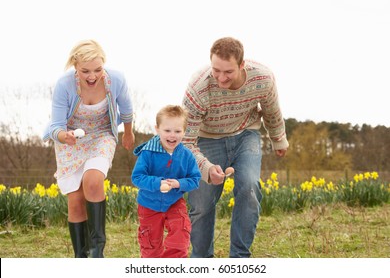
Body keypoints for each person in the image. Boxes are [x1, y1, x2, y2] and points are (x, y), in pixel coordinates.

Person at [182, 37, 289, 258]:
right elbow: (186, 142)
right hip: (207, 139)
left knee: (249, 187)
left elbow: (271, 110)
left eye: (228, 72)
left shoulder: (263, 78)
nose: (221, 78)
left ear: (242, 65)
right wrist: (206, 167)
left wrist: (278, 138)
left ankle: (239, 259)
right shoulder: (198, 87)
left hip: (245, 134)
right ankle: (201, 261)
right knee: (201, 204)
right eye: (216, 70)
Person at [42, 39, 135, 258]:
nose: (92, 76)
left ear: (104, 65)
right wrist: (65, 136)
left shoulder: (116, 79)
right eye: (85, 71)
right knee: (75, 202)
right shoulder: (64, 84)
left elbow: (127, 109)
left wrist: (128, 132)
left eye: (97, 69)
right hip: (70, 139)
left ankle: (96, 253)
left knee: (93, 181)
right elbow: (56, 126)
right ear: (75, 66)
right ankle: (80, 258)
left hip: (102, 135)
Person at [131, 105, 201, 258]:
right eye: (167, 130)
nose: (172, 135)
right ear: (157, 129)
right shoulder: (148, 153)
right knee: (151, 244)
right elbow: (137, 177)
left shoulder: (187, 155)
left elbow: (195, 179)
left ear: (184, 131)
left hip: (174, 202)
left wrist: (178, 184)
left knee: (181, 232)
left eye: (177, 131)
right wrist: (158, 183)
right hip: (149, 204)